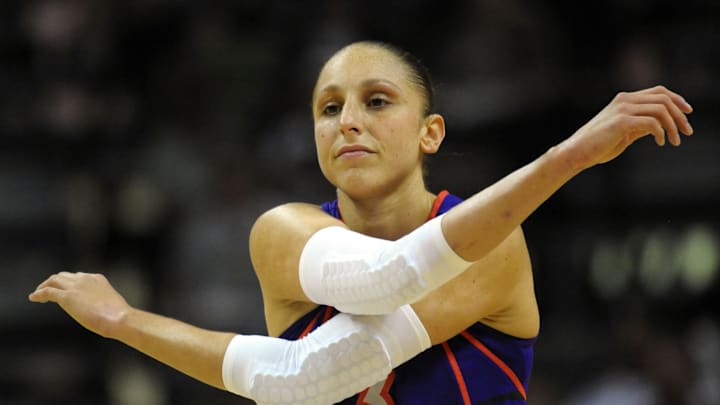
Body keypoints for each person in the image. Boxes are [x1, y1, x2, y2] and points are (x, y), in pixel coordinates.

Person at [29, 41, 694, 405]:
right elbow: (354, 307)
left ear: (431, 133)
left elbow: (304, 371)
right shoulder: (281, 231)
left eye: (377, 101)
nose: (348, 119)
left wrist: (124, 320)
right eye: (328, 107)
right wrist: (568, 157)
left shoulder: (492, 242)